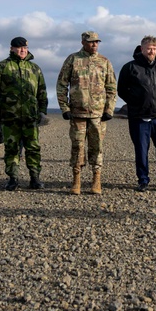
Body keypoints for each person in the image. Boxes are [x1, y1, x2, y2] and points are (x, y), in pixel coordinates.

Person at [57, 30, 117, 195]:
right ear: (83, 42)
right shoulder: (73, 59)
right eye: (91, 42)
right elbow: (62, 84)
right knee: (77, 146)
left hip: (98, 115)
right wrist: (64, 108)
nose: (94, 44)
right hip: (77, 114)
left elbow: (112, 87)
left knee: (97, 147)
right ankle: (76, 179)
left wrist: (109, 109)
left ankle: (96, 179)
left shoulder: (104, 62)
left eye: (97, 42)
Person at [0, 37, 48, 190]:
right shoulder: (1, 67)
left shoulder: (35, 69)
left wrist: (43, 111)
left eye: (25, 48)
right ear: (12, 48)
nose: (22, 50)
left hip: (30, 117)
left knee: (33, 148)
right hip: (10, 117)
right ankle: (12, 178)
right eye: (19, 47)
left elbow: (42, 92)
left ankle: (35, 178)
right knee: (11, 149)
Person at [117, 36, 156, 192]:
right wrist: (135, 102)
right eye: (149, 48)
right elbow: (121, 90)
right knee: (141, 150)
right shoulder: (130, 67)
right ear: (141, 49)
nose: (152, 51)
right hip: (139, 117)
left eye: (154, 48)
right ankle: (143, 180)